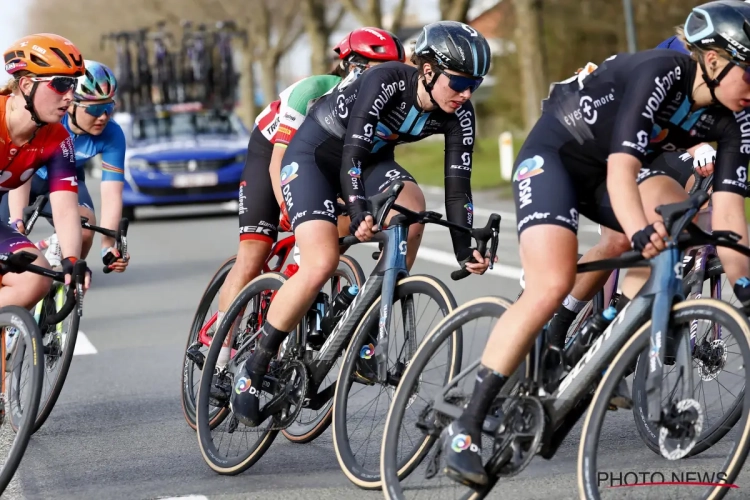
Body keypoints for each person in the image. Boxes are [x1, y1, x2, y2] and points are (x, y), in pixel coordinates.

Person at [440, 0, 750, 487]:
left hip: (612, 173)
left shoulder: (733, 123)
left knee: (685, 225)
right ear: (713, 60)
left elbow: (730, 217)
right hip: (558, 156)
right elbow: (621, 168)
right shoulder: (662, 71)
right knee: (552, 282)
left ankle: (610, 332)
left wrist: (746, 287)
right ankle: (467, 427)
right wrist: (641, 231)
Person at [229, 21, 492, 427]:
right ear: (427, 70)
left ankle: (368, 316)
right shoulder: (385, 80)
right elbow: (351, 152)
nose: (466, 93)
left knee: (413, 209)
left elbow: (458, 188)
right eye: (458, 82)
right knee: (320, 262)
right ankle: (254, 366)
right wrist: (360, 209)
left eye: (474, 83)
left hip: (371, 162)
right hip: (317, 155)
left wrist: (465, 246)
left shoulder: (460, 113)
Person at [210, 27, 406, 374]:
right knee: (255, 250)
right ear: (349, 65)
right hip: (270, 153)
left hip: (321, 160)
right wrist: (288, 206)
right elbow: (278, 162)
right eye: (373, 68)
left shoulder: (381, 107)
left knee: (327, 241)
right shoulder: (312, 90)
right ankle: (218, 349)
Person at [544, 33, 719, 407]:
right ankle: (560, 321)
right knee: (621, 238)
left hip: (656, 147)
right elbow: (659, 119)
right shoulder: (676, 57)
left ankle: (618, 331)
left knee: (689, 216)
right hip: (609, 141)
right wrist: (696, 145)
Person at [2, 59, 130, 273]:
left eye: (108, 107)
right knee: (11, 237)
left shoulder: (113, 134)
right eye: (95, 110)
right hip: (24, 177)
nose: (104, 117)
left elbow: (111, 194)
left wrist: (107, 246)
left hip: (65, 177)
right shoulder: (49, 120)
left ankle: (60, 285)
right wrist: (16, 217)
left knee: (84, 229)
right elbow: (19, 169)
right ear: (70, 105)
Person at [0, 33, 91, 310]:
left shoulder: (58, 139)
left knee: (36, 279)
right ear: (26, 84)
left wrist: (72, 261)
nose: (70, 96)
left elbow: (65, 209)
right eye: (61, 84)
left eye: (73, 85)